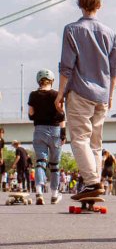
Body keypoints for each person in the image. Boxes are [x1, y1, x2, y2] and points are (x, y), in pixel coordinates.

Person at [56, 0, 116, 201]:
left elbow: (67, 66)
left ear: (79, 4)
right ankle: (95, 182)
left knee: (79, 139)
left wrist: (60, 93)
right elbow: (114, 70)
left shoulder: (72, 30)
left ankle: (92, 183)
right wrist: (110, 95)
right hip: (102, 95)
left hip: (80, 93)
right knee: (95, 142)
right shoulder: (109, 33)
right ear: (99, 6)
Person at [29, 68, 66, 205]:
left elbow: (31, 114)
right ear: (52, 81)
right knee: (55, 164)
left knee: (40, 162)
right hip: (55, 130)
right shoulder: (57, 94)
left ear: (39, 81)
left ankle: (39, 191)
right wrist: (63, 133)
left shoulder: (33, 95)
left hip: (39, 130)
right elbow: (62, 115)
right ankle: (55, 194)